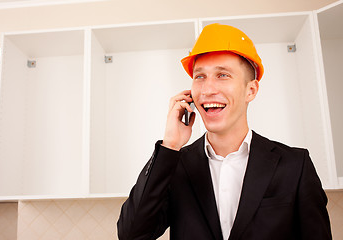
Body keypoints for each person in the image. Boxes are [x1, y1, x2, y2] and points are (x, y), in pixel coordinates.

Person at [117, 23, 332, 240]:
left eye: (222, 75)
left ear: (251, 90)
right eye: (199, 76)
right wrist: (170, 146)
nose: (208, 89)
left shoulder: (295, 165)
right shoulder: (175, 165)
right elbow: (131, 235)